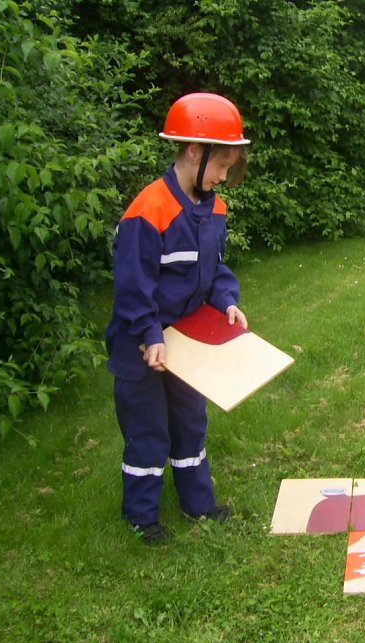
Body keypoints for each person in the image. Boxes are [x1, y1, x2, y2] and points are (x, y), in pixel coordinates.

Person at [105, 93, 251, 544]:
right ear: (194, 151)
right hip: (142, 347)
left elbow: (217, 271)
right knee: (149, 431)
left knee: (190, 423)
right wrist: (150, 337)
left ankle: (198, 504)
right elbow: (133, 287)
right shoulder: (148, 211)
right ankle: (142, 517)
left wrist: (227, 300)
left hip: (187, 344)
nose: (225, 176)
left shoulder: (216, 211)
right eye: (221, 165)